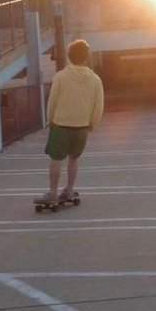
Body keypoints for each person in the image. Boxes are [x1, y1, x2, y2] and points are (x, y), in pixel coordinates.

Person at [37, 39, 104, 204]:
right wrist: (92, 124)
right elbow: (99, 106)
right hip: (82, 125)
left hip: (61, 124)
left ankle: (52, 193)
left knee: (56, 159)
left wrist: (50, 120)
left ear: (69, 56)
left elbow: (52, 101)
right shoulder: (95, 80)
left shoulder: (61, 77)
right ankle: (69, 189)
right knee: (73, 158)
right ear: (86, 57)